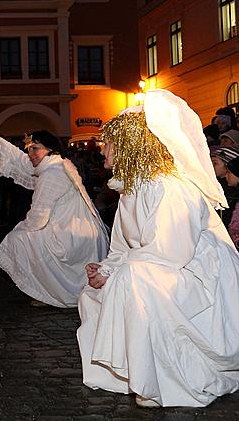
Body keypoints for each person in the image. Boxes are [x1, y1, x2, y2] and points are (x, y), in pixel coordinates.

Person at [77, 89, 239, 408]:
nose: (103, 150)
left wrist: (118, 272)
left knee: (134, 280)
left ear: (131, 145)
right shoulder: (131, 189)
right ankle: (138, 372)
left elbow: (169, 253)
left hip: (203, 280)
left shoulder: (170, 187)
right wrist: (106, 269)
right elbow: (124, 247)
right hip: (159, 269)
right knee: (99, 290)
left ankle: (162, 378)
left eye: (110, 142)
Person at [0, 128, 109, 307]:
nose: (30, 153)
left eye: (35, 148)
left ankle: (51, 293)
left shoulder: (52, 173)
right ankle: (49, 290)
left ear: (50, 149)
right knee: (25, 237)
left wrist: (20, 230)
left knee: (19, 239)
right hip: (76, 229)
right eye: (29, 148)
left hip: (73, 235)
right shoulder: (56, 163)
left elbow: (39, 216)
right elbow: (22, 160)